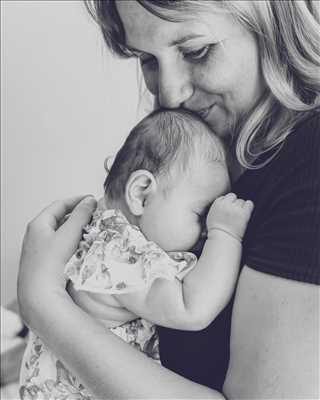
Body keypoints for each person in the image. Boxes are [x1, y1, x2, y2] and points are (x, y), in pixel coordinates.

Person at [17, 1, 319, 399]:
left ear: (271, 20)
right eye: (147, 59)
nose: (171, 93)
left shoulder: (309, 162)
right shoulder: (204, 142)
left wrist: (44, 304)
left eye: (196, 51)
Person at [19, 108, 253, 399]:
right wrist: (226, 234)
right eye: (202, 213)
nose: (204, 231)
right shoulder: (118, 252)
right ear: (142, 193)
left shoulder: (97, 234)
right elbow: (193, 308)